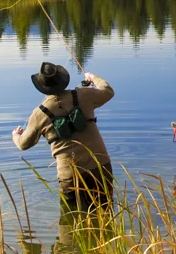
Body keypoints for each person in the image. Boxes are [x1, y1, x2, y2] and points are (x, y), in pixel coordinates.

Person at [12, 62, 115, 211]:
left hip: (70, 176)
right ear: (62, 80)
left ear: (42, 87)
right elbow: (107, 91)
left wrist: (16, 135)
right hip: (100, 167)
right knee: (106, 212)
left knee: (70, 220)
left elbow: (23, 144)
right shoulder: (83, 94)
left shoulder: (39, 114)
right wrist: (93, 78)